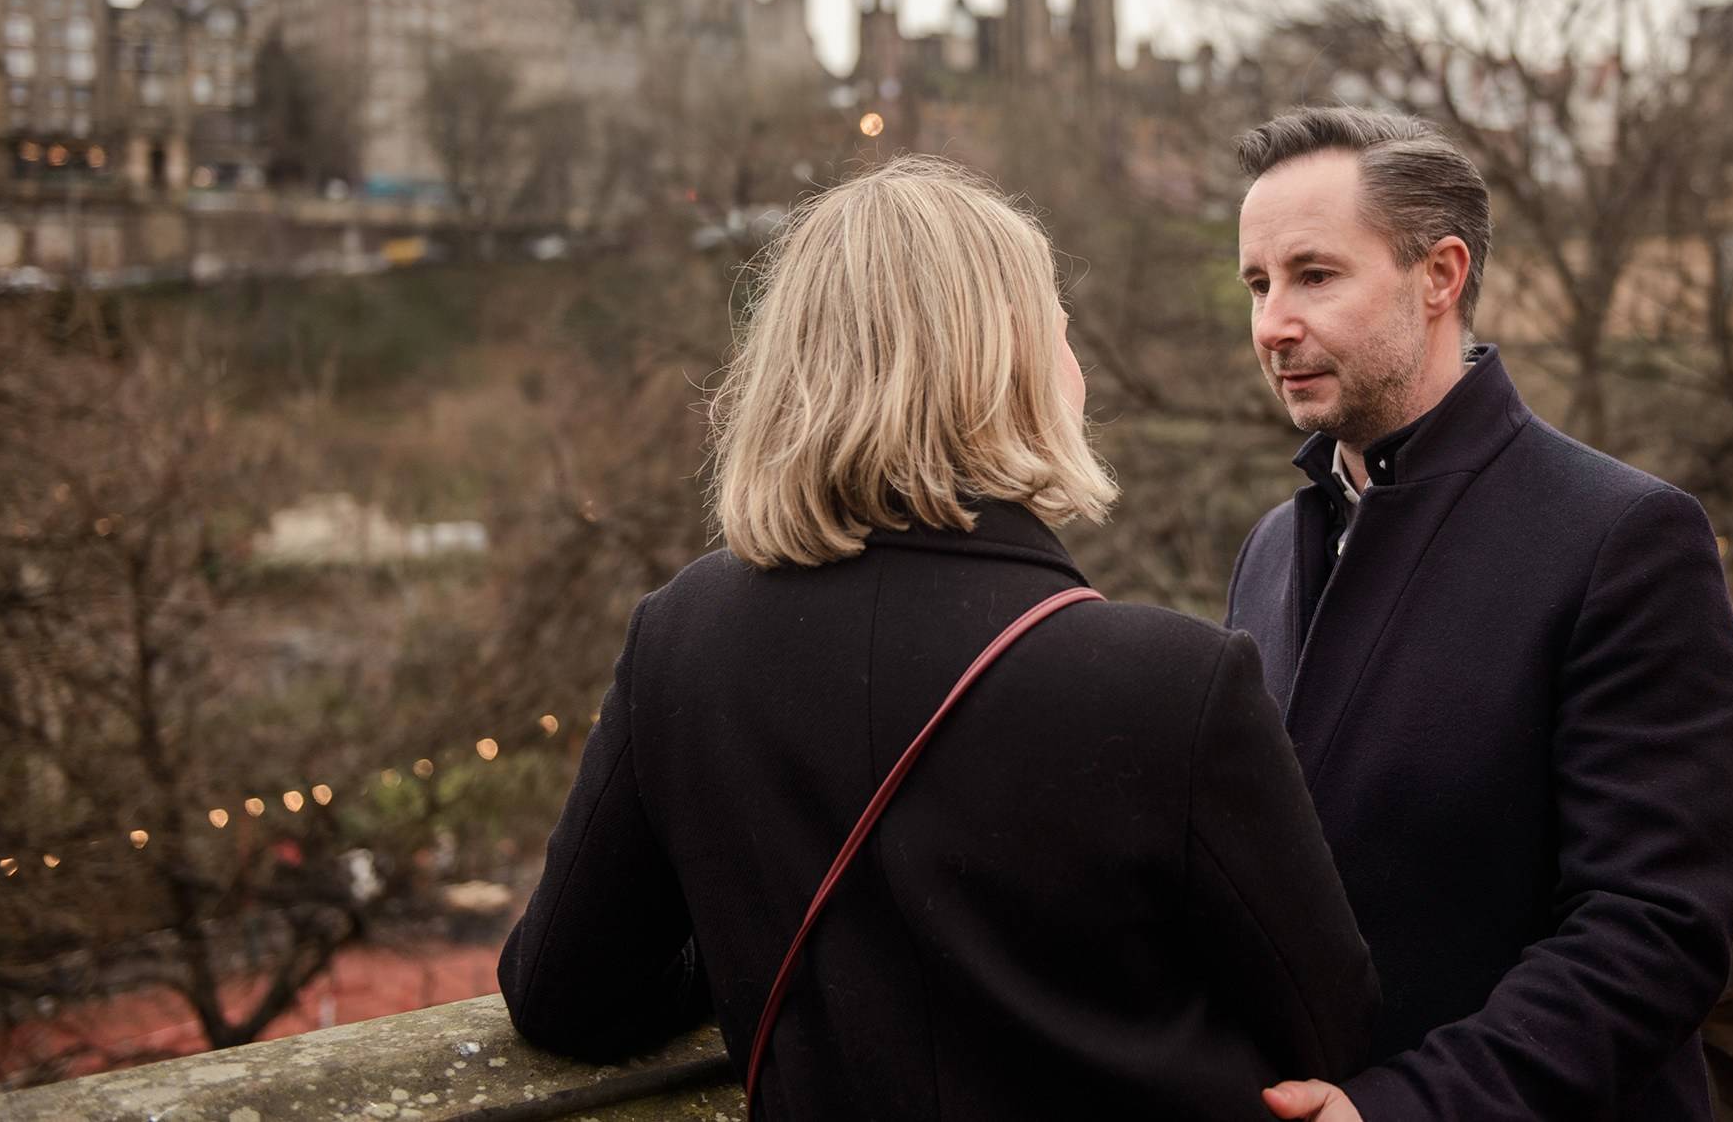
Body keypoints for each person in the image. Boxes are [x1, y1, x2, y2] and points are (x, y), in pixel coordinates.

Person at [499, 156, 1377, 1120]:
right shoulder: (1173, 684)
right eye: (1059, 334)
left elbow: (565, 996)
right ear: (1004, 367)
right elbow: (1326, 1029)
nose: (1076, 366)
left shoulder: (682, 637)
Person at [1226, 109, 1733, 1122]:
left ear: (1439, 276)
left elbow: (1653, 930)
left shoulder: (1626, 537)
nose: (1272, 324)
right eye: (1257, 284)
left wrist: (1405, 1110)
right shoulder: (1267, 552)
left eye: (1314, 275)